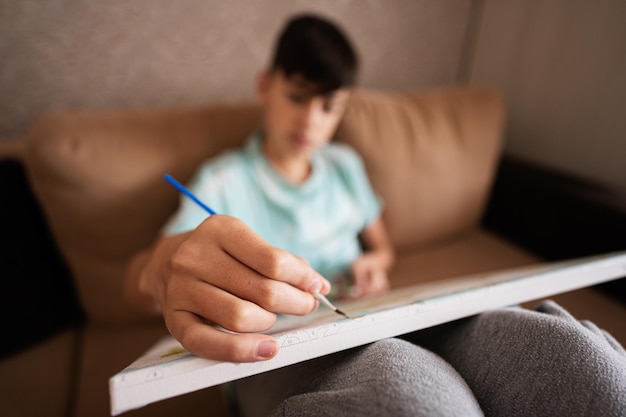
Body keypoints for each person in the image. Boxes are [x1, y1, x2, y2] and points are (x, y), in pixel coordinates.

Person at [125, 13, 626, 417]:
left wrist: (376, 263)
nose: (310, 120)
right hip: (281, 346)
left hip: (372, 312)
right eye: (297, 96)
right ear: (265, 85)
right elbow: (143, 278)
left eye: (328, 106)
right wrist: (162, 266)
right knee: (402, 392)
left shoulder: (344, 166)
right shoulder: (224, 181)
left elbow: (380, 246)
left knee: (568, 356)